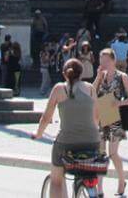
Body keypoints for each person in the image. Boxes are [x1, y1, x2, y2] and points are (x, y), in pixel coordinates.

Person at [34, 58, 102, 198]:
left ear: (65, 74)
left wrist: (38, 133)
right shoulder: (90, 89)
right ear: (81, 74)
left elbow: (46, 118)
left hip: (66, 142)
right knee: (88, 172)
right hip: (92, 141)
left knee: (57, 180)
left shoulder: (59, 89)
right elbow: (96, 118)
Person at [95, 47, 128, 197]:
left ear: (113, 60)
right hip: (102, 116)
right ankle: (99, 188)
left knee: (113, 154)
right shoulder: (101, 75)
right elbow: (92, 93)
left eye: (106, 60)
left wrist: (119, 103)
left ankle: (121, 180)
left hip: (115, 117)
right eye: (101, 60)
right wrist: (98, 77)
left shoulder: (122, 76)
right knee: (100, 154)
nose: (103, 63)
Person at [30, 10, 49, 75]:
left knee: (42, 45)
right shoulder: (34, 19)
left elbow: (46, 26)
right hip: (36, 33)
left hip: (42, 33)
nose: (37, 15)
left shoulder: (42, 19)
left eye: (38, 14)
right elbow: (32, 26)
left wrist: (45, 32)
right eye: (36, 14)